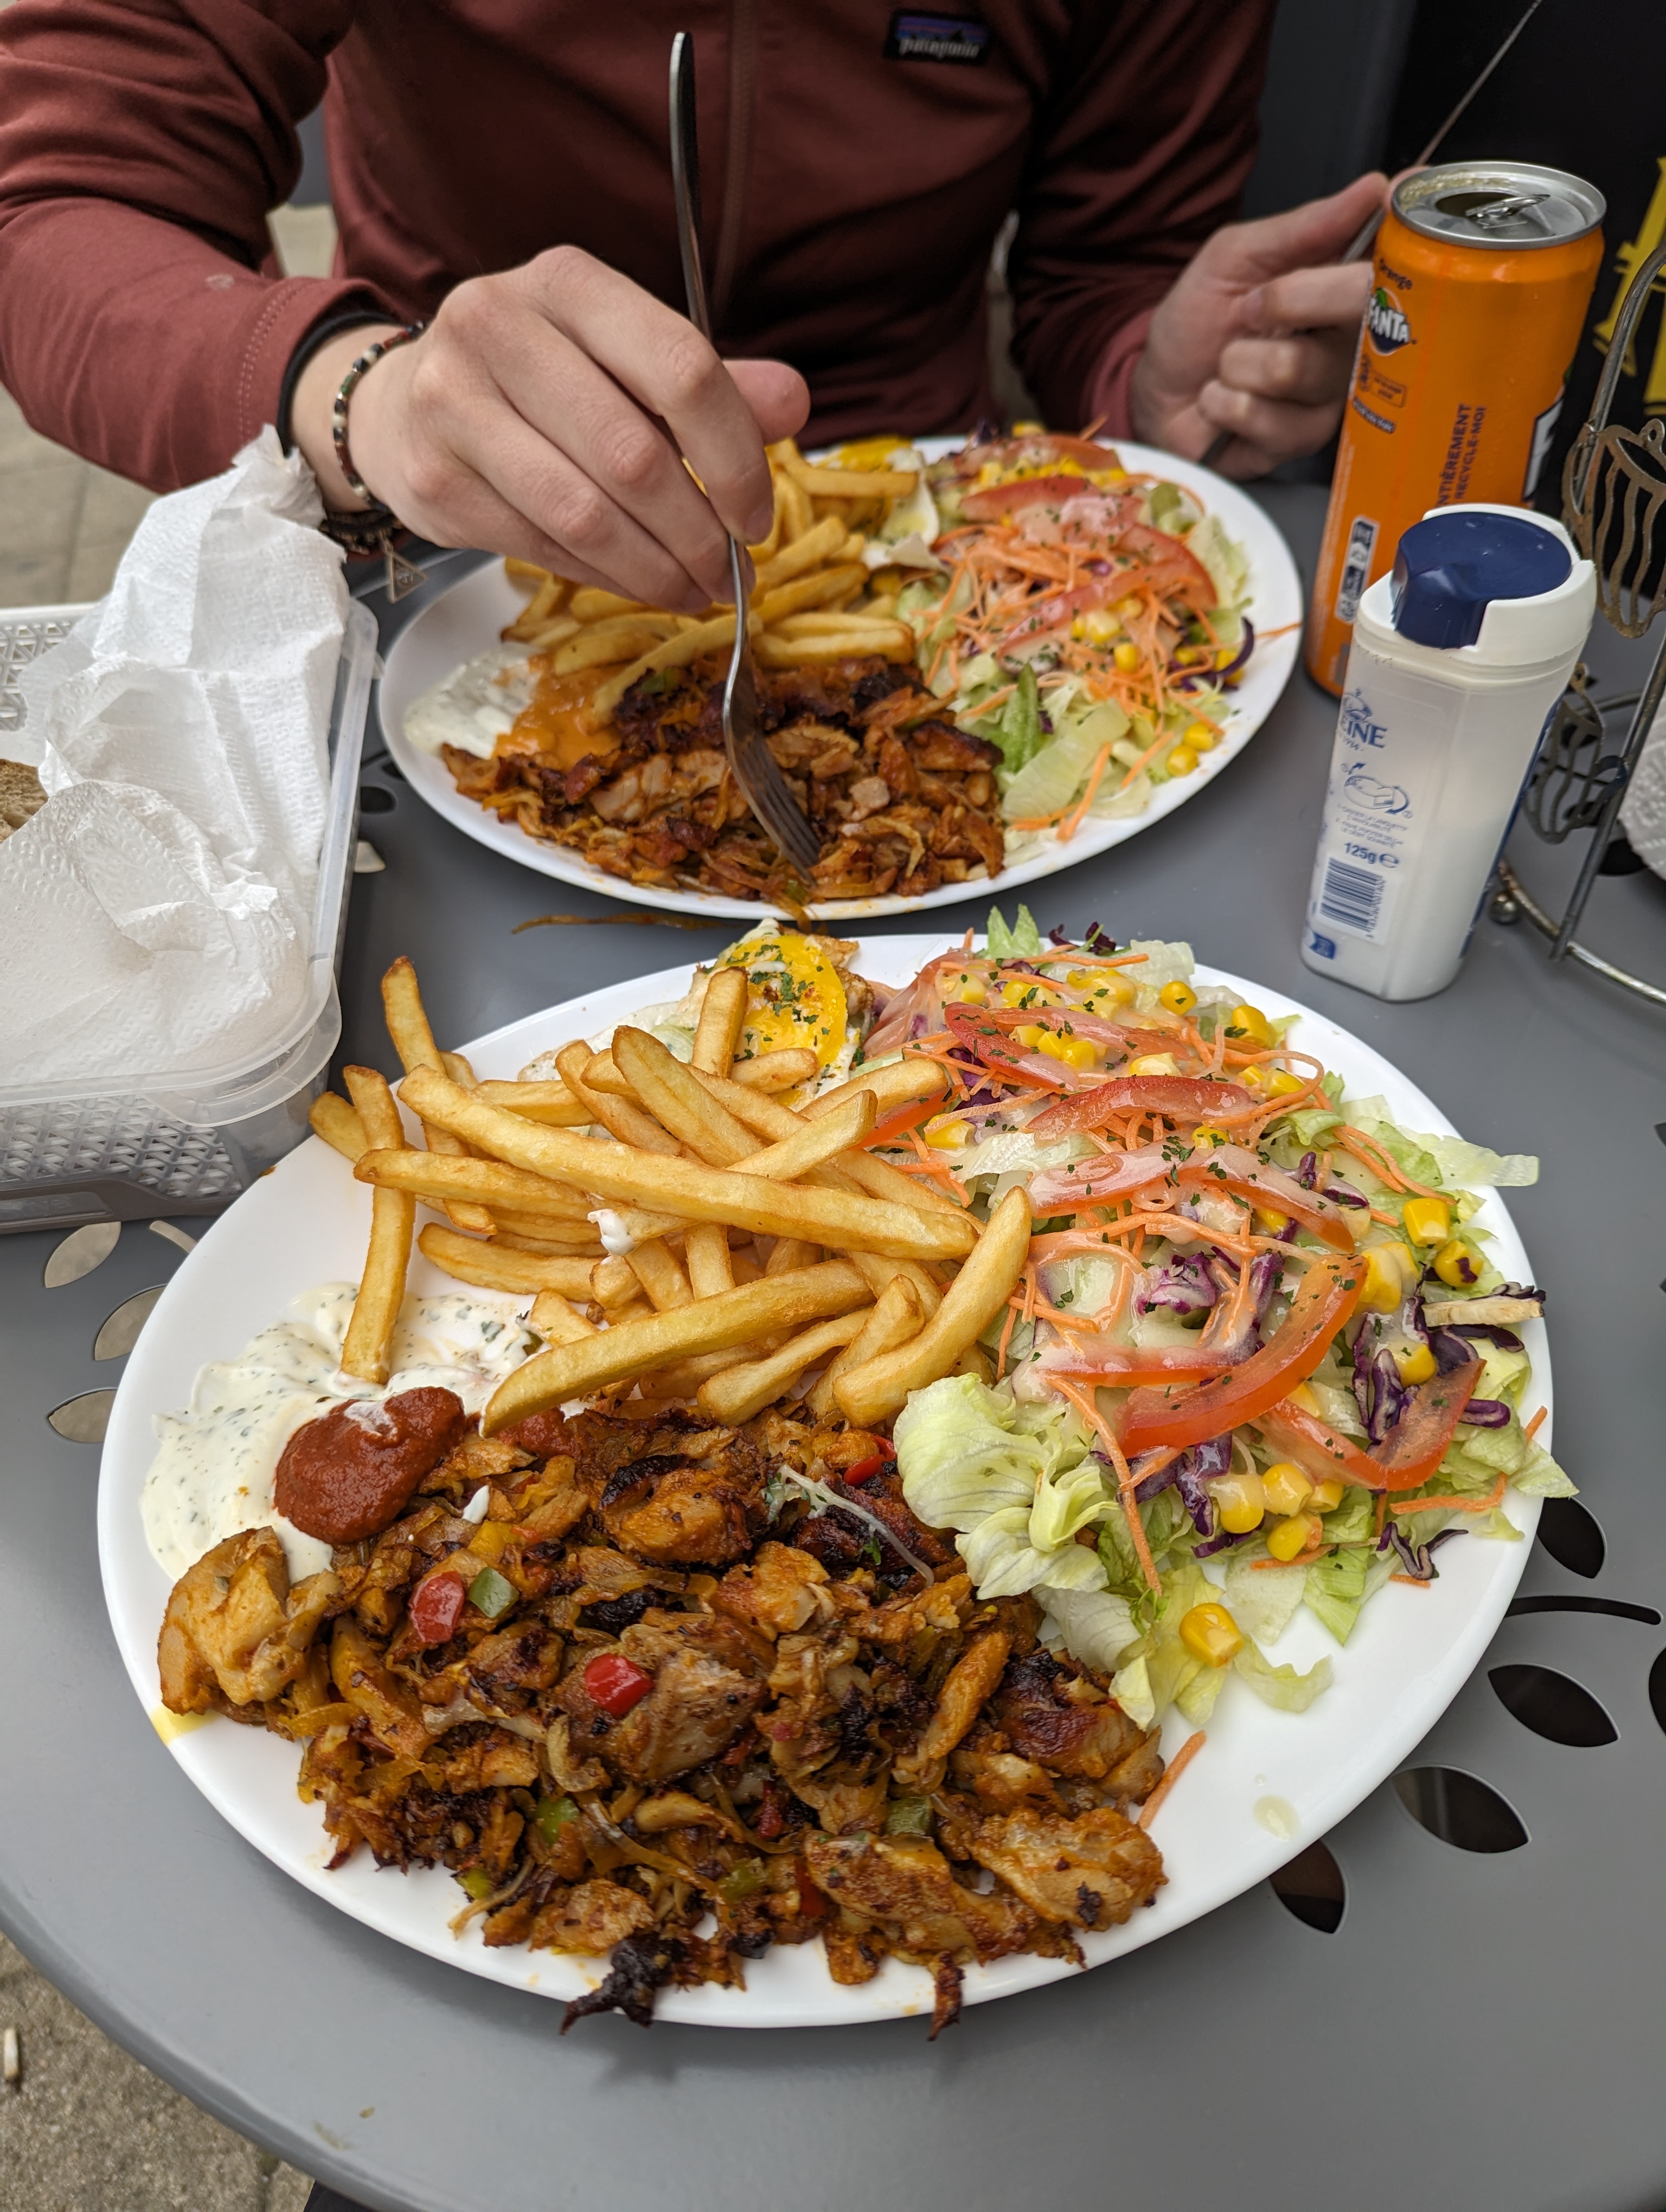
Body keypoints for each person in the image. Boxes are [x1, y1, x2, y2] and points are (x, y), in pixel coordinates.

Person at [0, 1, 1383, 609]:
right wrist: (359, 392)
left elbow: (1109, 263)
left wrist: (1147, 377)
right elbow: (51, 207)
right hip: (447, 534)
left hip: (938, 546)